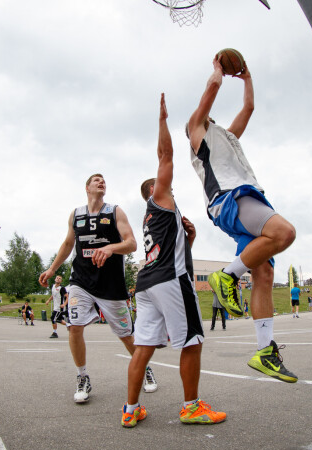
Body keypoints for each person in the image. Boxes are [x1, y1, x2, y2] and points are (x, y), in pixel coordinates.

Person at [186, 55, 297, 383]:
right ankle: (226, 277)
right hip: (230, 200)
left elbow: (248, 109)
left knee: (263, 275)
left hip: (249, 197)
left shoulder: (227, 137)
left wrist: (247, 78)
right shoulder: (196, 132)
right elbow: (209, 94)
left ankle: (265, 351)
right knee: (285, 233)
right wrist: (218, 73)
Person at [122, 93, 225, 428]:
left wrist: (189, 241)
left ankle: (130, 408)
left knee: (143, 347)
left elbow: (172, 251)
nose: (164, 178)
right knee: (192, 341)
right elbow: (165, 155)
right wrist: (163, 120)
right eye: (158, 180)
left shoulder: (155, 216)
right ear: (154, 188)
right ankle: (192, 407)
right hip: (169, 281)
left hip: (147, 284)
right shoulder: (160, 196)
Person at [39, 173, 157, 403]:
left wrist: (111, 248)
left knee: (126, 335)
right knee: (74, 326)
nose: (101, 182)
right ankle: (82, 376)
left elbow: (132, 243)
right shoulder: (76, 214)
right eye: (96, 180)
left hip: (110, 283)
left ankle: (145, 368)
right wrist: (52, 269)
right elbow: (67, 244)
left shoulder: (114, 211)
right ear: (87, 187)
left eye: (104, 180)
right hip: (81, 281)